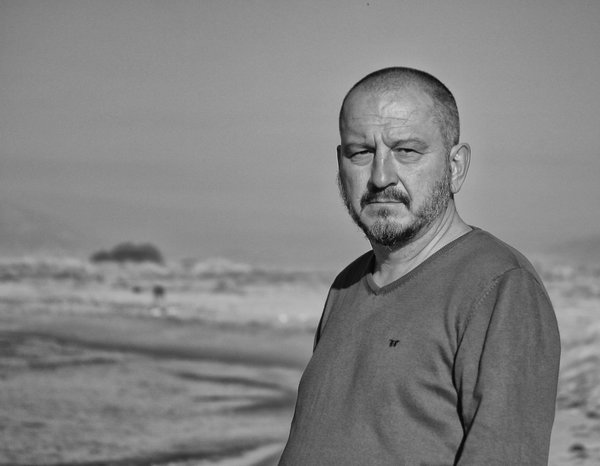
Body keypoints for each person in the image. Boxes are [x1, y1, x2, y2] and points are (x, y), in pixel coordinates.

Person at [279, 67, 561, 465]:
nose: (380, 176)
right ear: (340, 165)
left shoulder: (500, 286)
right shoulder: (348, 284)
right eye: (361, 152)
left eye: (406, 151)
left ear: (455, 166)